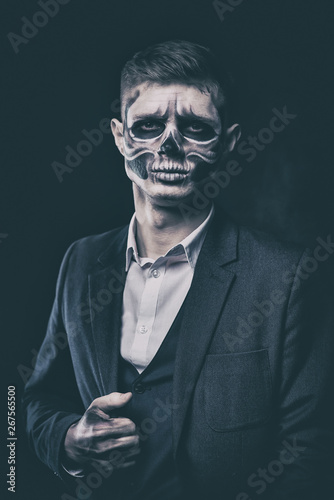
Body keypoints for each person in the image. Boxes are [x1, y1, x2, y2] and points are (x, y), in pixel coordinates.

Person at [22, 40, 334, 500]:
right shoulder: (80, 261)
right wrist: (67, 441)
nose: (169, 145)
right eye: (147, 125)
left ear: (228, 142)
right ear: (119, 135)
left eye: (194, 128)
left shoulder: (286, 277)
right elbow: (30, 401)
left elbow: (312, 454)